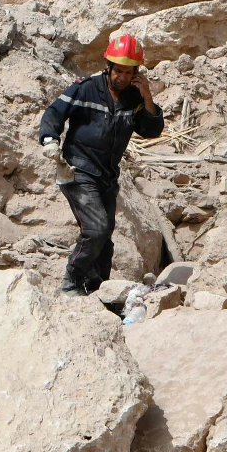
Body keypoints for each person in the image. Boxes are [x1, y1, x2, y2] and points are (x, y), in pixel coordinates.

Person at [38, 33, 163, 295]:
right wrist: (50, 140)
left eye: (129, 72)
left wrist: (148, 97)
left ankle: (98, 290)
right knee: (96, 229)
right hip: (78, 169)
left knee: (105, 238)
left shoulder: (134, 98)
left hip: (108, 174)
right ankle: (71, 282)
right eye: (119, 70)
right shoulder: (85, 88)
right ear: (109, 66)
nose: (123, 77)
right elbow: (54, 112)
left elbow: (151, 131)